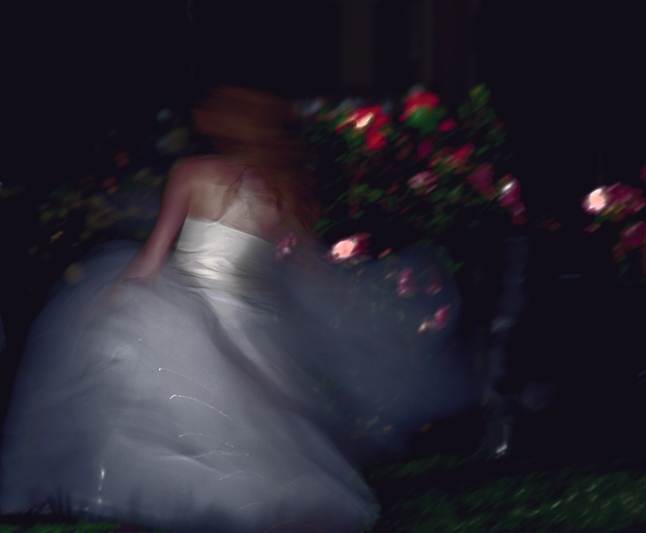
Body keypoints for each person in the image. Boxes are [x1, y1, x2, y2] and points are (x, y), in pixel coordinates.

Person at [0, 85, 478, 532]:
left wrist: (111, 299)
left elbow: (152, 255)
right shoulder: (280, 188)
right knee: (248, 425)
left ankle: (160, 497)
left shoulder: (192, 172)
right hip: (248, 319)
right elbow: (306, 267)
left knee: (161, 409)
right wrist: (349, 294)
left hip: (183, 305)